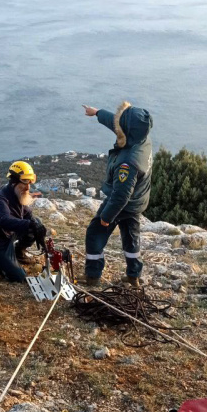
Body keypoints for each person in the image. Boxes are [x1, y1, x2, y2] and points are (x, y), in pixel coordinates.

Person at [82, 101, 153, 287]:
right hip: (137, 201)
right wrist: (97, 113)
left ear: (127, 130)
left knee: (95, 233)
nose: (117, 125)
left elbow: (121, 196)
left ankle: (92, 276)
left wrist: (106, 217)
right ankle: (133, 275)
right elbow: (117, 124)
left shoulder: (128, 163)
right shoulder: (142, 138)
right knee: (131, 237)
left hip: (124, 203)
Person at [0, 161, 48, 282]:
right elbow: (4, 221)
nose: (28, 187)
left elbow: (28, 216)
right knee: (19, 277)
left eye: (30, 183)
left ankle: (19, 252)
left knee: (37, 221)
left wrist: (37, 229)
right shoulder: (1, 198)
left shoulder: (19, 194)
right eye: (24, 183)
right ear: (14, 182)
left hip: (9, 235)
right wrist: (30, 224)